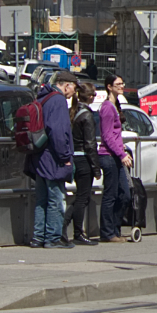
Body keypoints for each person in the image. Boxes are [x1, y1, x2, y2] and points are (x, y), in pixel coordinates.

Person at [27, 70, 77, 249]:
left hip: (39, 157)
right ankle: (53, 238)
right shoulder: (58, 100)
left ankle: (38, 237)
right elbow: (58, 131)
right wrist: (65, 157)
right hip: (53, 158)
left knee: (41, 199)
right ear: (66, 85)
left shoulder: (43, 97)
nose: (73, 93)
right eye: (73, 88)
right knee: (55, 199)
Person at [63, 82, 102, 246]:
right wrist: (96, 167)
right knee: (82, 197)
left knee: (80, 196)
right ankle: (76, 231)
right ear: (91, 97)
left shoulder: (73, 111)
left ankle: (65, 227)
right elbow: (90, 144)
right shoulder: (87, 115)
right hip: (84, 159)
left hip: (74, 157)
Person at [98, 74, 133, 243]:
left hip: (116, 155)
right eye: (118, 84)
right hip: (108, 156)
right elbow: (106, 135)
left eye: (122, 83)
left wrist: (122, 147)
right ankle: (107, 232)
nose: (121, 86)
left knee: (125, 194)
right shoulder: (107, 108)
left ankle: (115, 229)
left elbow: (115, 134)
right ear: (109, 87)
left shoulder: (115, 106)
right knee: (110, 194)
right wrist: (121, 154)